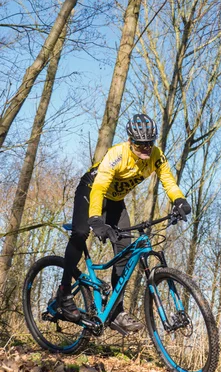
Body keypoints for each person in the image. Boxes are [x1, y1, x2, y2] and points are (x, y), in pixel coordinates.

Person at [57, 113, 191, 332]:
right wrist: (96, 220)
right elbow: (99, 188)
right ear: (130, 141)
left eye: (149, 144)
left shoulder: (156, 155)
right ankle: (64, 293)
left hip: (116, 201)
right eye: (141, 145)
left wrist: (179, 199)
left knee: (125, 250)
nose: (146, 148)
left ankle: (115, 312)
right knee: (81, 233)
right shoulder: (117, 155)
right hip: (91, 191)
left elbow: (168, 179)